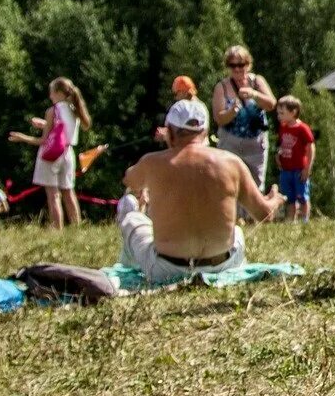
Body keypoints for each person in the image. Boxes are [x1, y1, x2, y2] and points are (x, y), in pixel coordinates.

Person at [117, 99, 281, 285]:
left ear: (169, 132)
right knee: (237, 231)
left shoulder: (153, 163)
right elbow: (264, 214)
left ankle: (126, 272)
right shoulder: (231, 163)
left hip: (166, 270)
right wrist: (275, 199)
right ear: (205, 131)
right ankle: (232, 272)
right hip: (222, 265)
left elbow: (129, 179)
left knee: (131, 217)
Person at [9, 78, 90, 229]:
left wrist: (22, 137)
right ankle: (77, 226)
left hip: (52, 155)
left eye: (51, 92)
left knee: (53, 194)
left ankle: (57, 228)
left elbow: (43, 141)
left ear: (59, 93)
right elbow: (64, 131)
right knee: (68, 192)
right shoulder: (74, 109)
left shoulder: (52, 111)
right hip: (68, 153)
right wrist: (46, 124)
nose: (50, 96)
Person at [212, 47, 275, 186]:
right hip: (230, 147)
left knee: (255, 189)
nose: (237, 69)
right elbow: (219, 119)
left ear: (248, 64)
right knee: (229, 187)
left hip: (256, 149)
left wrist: (254, 94)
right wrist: (232, 111)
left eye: (240, 65)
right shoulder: (221, 87)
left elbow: (271, 104)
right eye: (232, 65)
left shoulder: (257, 81)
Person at [273, 96, 315, 222]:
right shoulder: (283, 127)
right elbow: (281, 144)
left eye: (282, 113)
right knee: (289, 197)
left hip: (299, 168)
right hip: (286, 168)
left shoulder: (302, 129)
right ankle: (291, 220)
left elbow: (310, 148)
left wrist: (307, 168)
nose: (279, 116)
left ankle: (304, 220)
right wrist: (278, 156)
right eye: (278, 113)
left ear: (293, 112)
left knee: (302, 196)